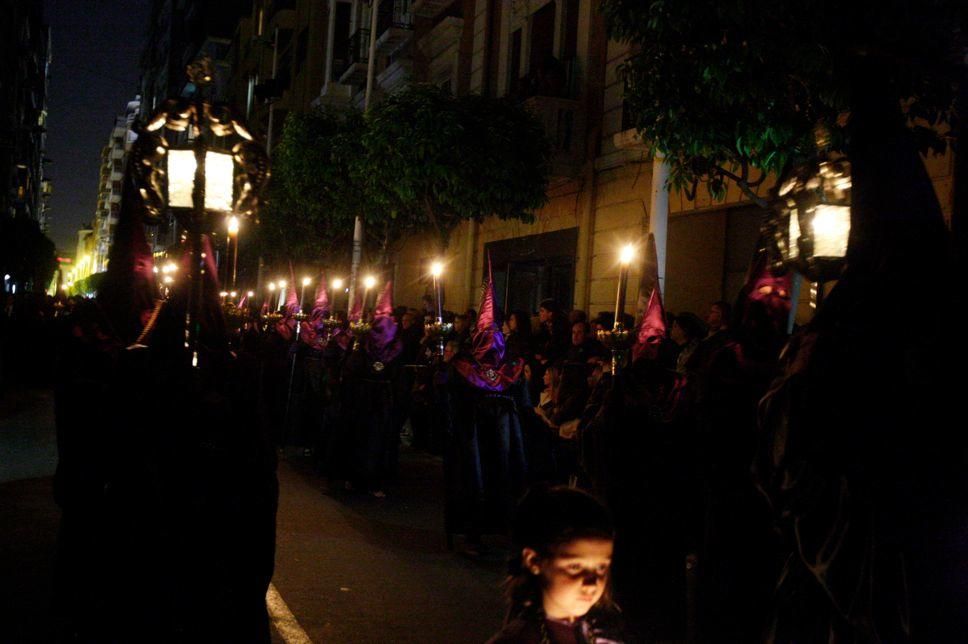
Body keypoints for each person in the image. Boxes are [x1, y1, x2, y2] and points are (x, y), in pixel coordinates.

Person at [487, 486, 627, 644]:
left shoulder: (604, 632)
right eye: (575, 567)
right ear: (534, 561)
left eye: (601, 567)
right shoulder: (517, 639)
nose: (591, 584)